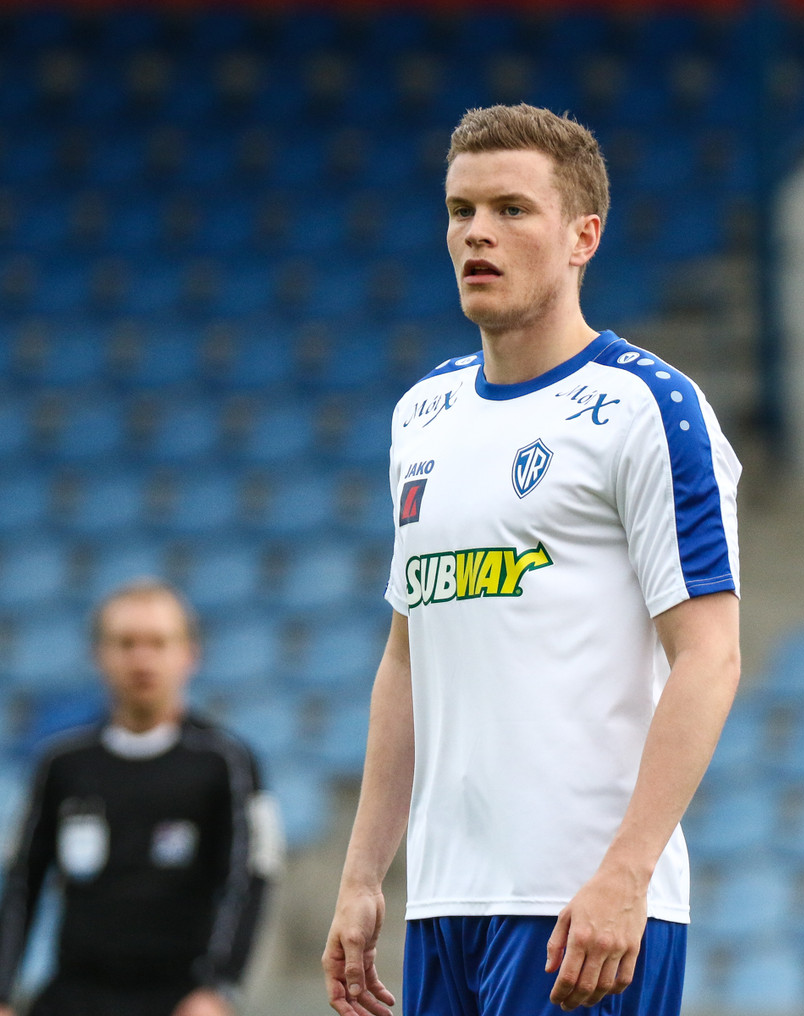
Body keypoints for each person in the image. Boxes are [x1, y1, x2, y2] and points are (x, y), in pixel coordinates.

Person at [322, 103, 741, 1016]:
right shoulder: (421, 414)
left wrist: (626, 874)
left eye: (512, 209)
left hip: (581, 910)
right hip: (445, 906)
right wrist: (362, 876)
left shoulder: (648, 409)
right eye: (461, 210)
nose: (477, 232)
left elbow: (710, 657)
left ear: (584, 236)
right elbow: (406, 659)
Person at [0, 579, 282, 1016]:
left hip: (179, 998)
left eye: (158, 643)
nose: (142, 659)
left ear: (190, 654)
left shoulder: (226, 762)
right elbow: (23, 881)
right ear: (98, 654)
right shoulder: (61, 764)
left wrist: (218, 989)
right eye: (126, 643)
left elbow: (250, 879)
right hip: (75, 993)